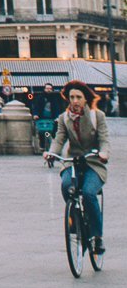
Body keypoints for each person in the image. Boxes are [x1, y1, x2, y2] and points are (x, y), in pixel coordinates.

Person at [48, 80, 109, 254]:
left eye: (78, 97)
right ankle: (75, 222)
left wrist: (104, 153)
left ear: (85, 99)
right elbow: (59, 139)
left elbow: (104, 139)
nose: (74, 101)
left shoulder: (97, 116)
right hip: (72, 161)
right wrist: (52, 152)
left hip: (94, 162)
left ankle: (97, 237)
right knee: (67, 186)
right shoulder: (64, 118)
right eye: (71, 97)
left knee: (89, 193)